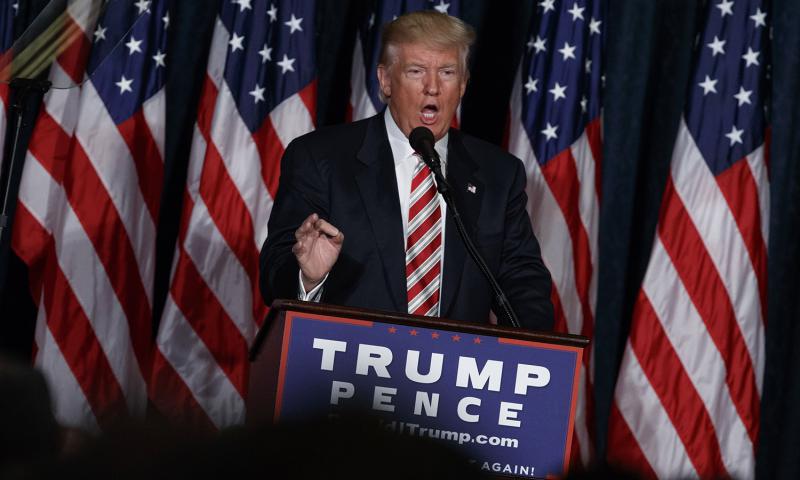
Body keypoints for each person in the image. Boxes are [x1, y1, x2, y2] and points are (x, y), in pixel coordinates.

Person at [260, 11, 553, 331]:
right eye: (416, 71)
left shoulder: (500, 174)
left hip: (454, 374)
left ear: (464, 84)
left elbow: (524, 285)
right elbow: (274, 277)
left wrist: (536, 352)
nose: (432, 88)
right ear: (385, 80)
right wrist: (308, 277)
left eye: (447, 72)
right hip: (347, 371)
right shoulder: (319, 158)